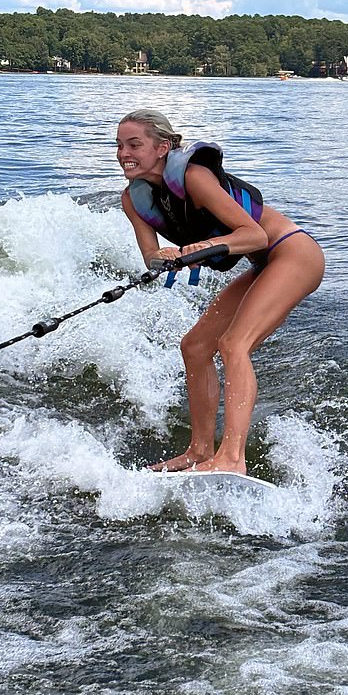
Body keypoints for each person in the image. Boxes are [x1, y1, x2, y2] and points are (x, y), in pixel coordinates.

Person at [116, 109, 325, 475]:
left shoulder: (195, 177)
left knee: (233, 344)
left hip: (294, 252)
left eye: (134, 145)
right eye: (119, 146)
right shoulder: (132, 200)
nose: (123, 154)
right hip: (263, 265)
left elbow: (255, 235)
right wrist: (165, 257)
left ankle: (231, 458)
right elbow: (151, 255)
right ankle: (199, 451)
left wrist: (204, 247)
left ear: (162, 147)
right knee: (195, 347)